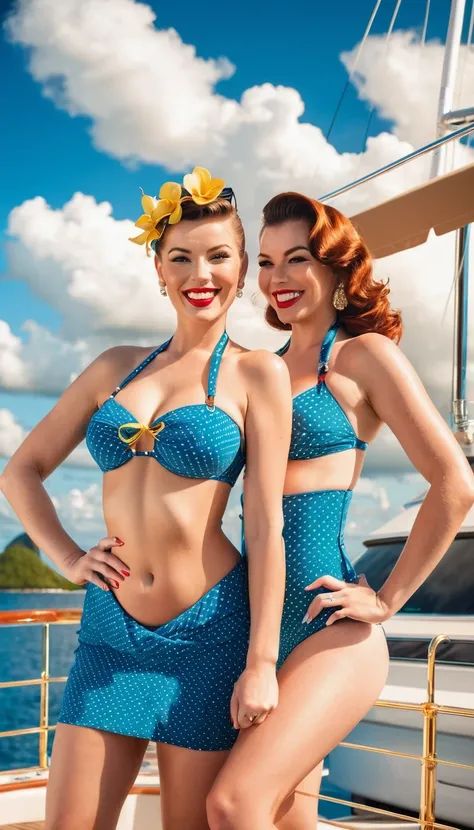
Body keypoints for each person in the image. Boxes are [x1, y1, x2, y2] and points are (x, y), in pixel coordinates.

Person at [0, 169, 292, 830]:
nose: (202, 272)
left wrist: (262, 663)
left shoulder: (257, 374)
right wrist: (70, 560)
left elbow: (266, 524)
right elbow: (21, 471)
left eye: (219, 256)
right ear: (159, 270)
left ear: (242, 269)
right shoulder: (114, 367)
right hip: (110, 633)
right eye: (181, 257)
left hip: (208, 635)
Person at [207, 191, 474, 830]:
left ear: (335, 268)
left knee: (232, 804)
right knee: (283, 818)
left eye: (296, 259)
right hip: (255, 628)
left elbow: (453, 482)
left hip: (332, 630)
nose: (277, 279)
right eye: (266, 263)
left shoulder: (361, 357)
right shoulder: (254, 370)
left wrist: (386, 599)